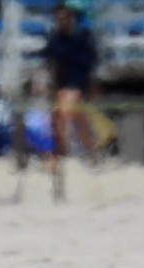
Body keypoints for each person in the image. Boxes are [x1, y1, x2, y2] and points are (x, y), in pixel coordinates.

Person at [40, 3, 98, 165]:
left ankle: (57, 154)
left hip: (78, 83)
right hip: (61, 84)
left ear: (71, 19)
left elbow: (91, 65)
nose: (62, 21)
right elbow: (48, 63)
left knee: (63, 114)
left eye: (65, 18)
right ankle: (93, 153)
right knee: (78, 121)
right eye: (59, 18)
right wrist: (43, 83)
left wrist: (92, 85)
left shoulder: (82, 37)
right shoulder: (54, 39)